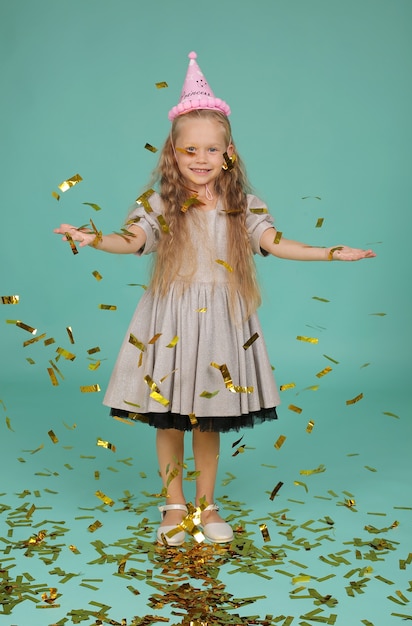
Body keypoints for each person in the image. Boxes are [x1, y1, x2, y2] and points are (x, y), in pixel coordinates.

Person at [54, 51, 375, 547]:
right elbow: (130, 240)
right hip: (170, 321)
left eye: (212, 150)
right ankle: (174, 504)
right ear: (173, 154)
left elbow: (275, 243)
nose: (201, 160)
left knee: (208, 418)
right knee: (169, 416)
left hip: (221, 324)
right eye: (190, 151)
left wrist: (330, 252)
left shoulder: (243, 205)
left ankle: (206, 504)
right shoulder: (159, 204)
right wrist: (92, 238)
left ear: (228, 152)